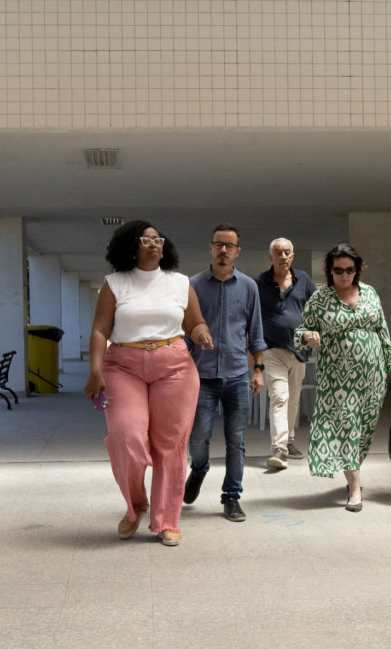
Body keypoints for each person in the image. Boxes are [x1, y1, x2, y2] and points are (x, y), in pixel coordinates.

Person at [84, 220, 211, 547]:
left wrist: (201, 333)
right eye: (145, 240)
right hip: (123, 366)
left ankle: (167, 519)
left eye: (158, 240)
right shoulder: (115, 283)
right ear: (131, 247)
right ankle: (136, 504)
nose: (154, 244)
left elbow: (194, 322)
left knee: (170, 444)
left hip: (174, 365)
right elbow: (100, 330)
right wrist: (95, 371)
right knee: (127, 435)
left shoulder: (180, 282)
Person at [294, 242, 391, 512]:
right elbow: (299, 333)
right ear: (329, 271)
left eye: (349, 270)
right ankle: (355, 488)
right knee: (346, 430)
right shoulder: (320, 299)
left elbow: (382, 333)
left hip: (373, 378)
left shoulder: (370, 293)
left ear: (357, 270)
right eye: (338, 270)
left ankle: (352, 474)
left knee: (363, 432)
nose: (344, 275)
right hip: (338, 380)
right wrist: (308, 336)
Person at [184, 224, 267, 522]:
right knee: (198, 438)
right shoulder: (193, 285)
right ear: (210, 247)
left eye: (229, 246)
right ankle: (199, 469)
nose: (223, 250)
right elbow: (184, 331)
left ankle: (231, 496)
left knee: (237, 440)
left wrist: (258, 370)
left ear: (237, 251)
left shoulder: (248, 287)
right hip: (202, 375)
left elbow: (255, 331)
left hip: (237, 375)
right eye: (218, 244)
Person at [255, 237, 318, 470]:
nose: (283, 256)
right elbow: (252, 316)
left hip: (299, 349)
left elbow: (317, 309)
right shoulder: (259, 283)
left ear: (292, 256)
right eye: (278, 253)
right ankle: (279, 449)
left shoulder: (303, 279)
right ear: (270, 257)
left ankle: (289, 440)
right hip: (272, 349)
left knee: (292, 399)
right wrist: (254, 352)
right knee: (279, 396)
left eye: (287, 252)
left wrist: (313, 330)